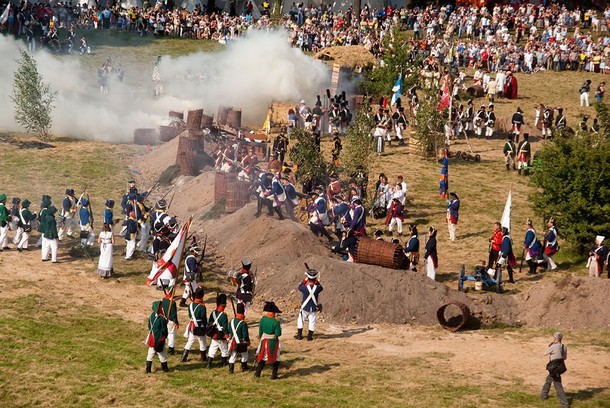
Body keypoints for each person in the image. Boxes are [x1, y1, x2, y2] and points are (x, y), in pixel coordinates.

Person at [254, 301, 282, 380]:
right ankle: (273, 375)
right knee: (276, 358)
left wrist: (260, 337)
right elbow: (278, 334)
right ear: (273, 313)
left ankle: (257, 373)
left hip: (264, 340)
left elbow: (260, 331)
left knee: (263, 357)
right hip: (272, 341)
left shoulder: (263, 319)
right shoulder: (276, 322)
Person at [540, 332, 569, 408]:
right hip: (559, 367)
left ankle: (565, 404)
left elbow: (545, 353)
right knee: (548, 380)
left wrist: (551, 347)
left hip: (553, 368)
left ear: (555, 338)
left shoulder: (554, 346)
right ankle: (543, 395)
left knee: (558, 386)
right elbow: (564, 358)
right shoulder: (564, 347)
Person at [181, 287, 207, 364]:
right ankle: (203, 358)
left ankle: (184, 357)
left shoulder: (190, 305)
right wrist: (205, 326)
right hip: (200, 326)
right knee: (202, 342)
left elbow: (190, 315)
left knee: (190, 341)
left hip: (192, 325)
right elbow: (203, 318)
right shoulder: (202, 307)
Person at [295, 268, 323, 341]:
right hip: (313, 308)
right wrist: (316, 280)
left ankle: (299, 336)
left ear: (308, 278)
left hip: (305, 307)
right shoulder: (318, 288)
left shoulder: (304, 288)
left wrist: (305, 279)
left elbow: (300, 286)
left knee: (300, 320)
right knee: (312, 322)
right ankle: (309, 337)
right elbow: (321, 287)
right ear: (315, 278)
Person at [145, 300, 169, 373]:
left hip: (152, 337)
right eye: (160, 307)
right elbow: (164, 329)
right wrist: (165, 335)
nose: (161, 308)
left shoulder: (152, 316)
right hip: (159, 338)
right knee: (162, 353)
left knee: (151, 352)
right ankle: (165, 369)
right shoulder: (161, 319)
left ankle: (148, 369)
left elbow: (149, 325)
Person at [207, 293, 230, 368]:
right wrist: (227, 336)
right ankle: (223, 363)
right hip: (220, 334)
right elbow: (225, 327)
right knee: (225, 349)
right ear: (223, 305)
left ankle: (209, 364)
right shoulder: (223, 315)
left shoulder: (213, 313)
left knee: (212, 349)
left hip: (214, 334)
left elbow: (210, 323)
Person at [228, 302, 250, 374]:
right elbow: (245, 335)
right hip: (241, 342)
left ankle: (231, 370)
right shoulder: (243, 323)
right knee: (245, 355)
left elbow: (229, 331)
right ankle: (244, 368)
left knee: (233, 356)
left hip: (233, 341)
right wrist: (247, 341)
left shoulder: (231, 321)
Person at [161, 291, 179, 356]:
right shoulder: (172, 303)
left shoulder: (163, 300)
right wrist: (176, 322)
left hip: (165, 319)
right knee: (171, 334)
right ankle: (171, 349)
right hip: (171, 320)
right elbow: (174, 314)